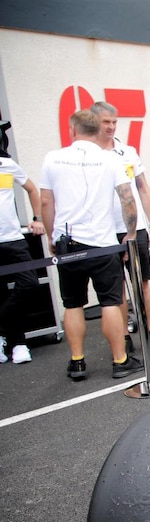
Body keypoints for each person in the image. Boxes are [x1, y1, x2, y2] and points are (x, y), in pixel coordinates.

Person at [40, 110, 143, 381]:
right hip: (102, 242)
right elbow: (127, 198)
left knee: (72, 303)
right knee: (110, 301)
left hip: (67, 242)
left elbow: (46, 203)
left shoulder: (53, 158)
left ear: (73, 129)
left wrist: (52, 238)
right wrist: (130, 233)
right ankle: (120, 360)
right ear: (98, 129)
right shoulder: (108, 159)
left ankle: (77, 361)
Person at [91, 101, 150, 356]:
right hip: (106, 232)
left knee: (143, 283)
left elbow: (143, 188)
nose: (111, 127)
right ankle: (125, 337)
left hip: (137, 229)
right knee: (118, 290)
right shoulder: (90, 157)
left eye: (114, 122)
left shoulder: (127, 152)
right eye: (106, 122)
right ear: (94, 122)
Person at [0, 122, 42, 365]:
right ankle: (16, 342)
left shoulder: (7, 165)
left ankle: (10, 336)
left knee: (29, 284)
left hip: (13, 239)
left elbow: (32, 189)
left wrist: (37, 219)